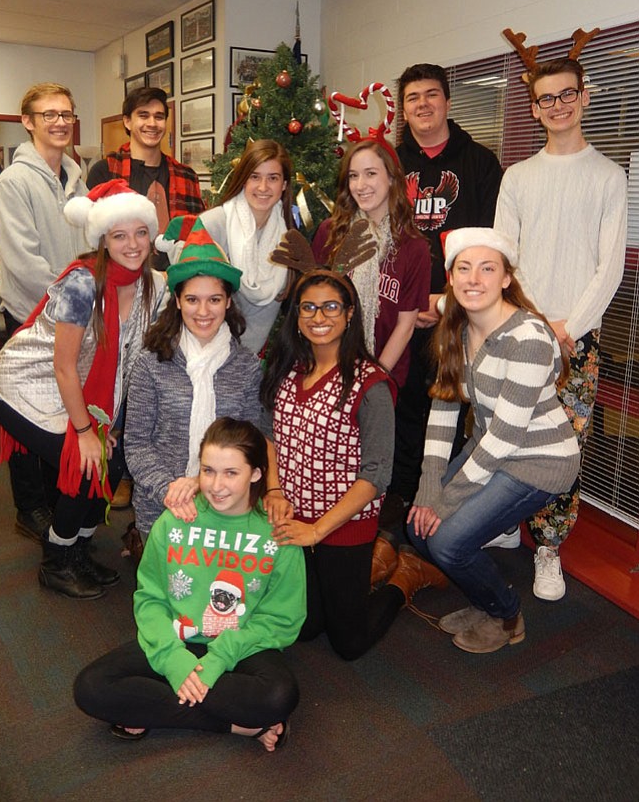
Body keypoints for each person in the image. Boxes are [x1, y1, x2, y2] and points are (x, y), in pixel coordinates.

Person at [261, 242, 446, 661]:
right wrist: (273, 491)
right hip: (293, 520)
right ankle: (372, 567)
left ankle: (403, 579)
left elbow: (376, 474)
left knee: (348, 643)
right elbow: (268, 434)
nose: (318, 317)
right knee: (305, 628)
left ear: (349, 314)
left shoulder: (370, 384)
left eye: (330, 307)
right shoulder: (286, 371)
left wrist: (318, 531)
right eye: (308, 308)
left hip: (343, 524)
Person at [74, 417, 306, 751]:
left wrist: (216, 662)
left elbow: (281, 620)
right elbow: (150, 597)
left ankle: (155, 709)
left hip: (239, 647)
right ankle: (236, 727)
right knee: (91, 687)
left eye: (231, 473)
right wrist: (174, 662)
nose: (216, 485)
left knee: (279, 695)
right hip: (177, 636)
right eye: (208, 470)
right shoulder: (176, 520)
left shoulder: (279, 533)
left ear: (256, 474)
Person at [0, 179, 166, 599]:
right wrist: (85, 434)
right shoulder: (84, 284)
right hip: (25, 386)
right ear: (102, 239)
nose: (133, 244)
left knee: (113, 463)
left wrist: (115, 427)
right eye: (120, 235)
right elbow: (64, 366)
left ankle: (78, 550)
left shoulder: (151, 284)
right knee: (88, 467)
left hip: (83, 393)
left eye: (141, 232)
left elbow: (131, 359)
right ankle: (56, 561)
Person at [405, 227, 580, 653]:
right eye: (463, 269)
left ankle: (505, 614)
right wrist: (429, 489)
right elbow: (444, 409)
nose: (474, 279)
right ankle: (483, 598)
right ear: (450, 277)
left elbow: (505, 436)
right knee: (418, 529)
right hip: (491, 447)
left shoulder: (528, 339)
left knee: (446, 540)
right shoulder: (459, 325)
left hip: (539, 460)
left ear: (506, 278)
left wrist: (444, 502)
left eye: (487, 269)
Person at [494, 52, 627, 601]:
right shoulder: (518, 177)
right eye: (546, 98)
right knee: (505, 433)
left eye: (566, 94)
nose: (557, 105)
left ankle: (548, 548)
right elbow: (503, 255)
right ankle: (501, 520)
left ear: (584, 98)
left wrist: (569, 326)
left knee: (564, 445)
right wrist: (529, 318)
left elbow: (610, 264)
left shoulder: (608, 176)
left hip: (578, 338)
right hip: (519, 331)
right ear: (534, 108)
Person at [390, 64, 503, 516]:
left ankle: (444, 501)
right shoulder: (392, 163)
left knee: (451, 404)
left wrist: (446, 298)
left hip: (460, 308)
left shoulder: (480, 162)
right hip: (402, 308)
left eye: (431, 94)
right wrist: (410, 300)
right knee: (403, 403)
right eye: (413, 97)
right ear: (403, 109)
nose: (423, 104)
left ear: (448, 102)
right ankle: (399, 501)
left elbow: (493, 240)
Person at [125, 218, 266, 538]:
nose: (203, 311)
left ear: (228, 302)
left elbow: (249, 446)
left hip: (225, 510)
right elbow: (136, 444)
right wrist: (170, 487)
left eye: (214, 299)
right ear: (177, 301)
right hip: (162, 507)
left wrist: (203, 486)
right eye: (192, 299)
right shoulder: (151, 364)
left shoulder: (246, 369)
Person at [0, 82, 88, 542]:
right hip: (30, 314)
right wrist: (72, 303)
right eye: (49, 114)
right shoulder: (15, 181)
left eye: (66, 114)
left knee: (59, 409)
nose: (60, 122)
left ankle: (53, 497)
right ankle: (29, 507)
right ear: (28, 122)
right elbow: (23, 261)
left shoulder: (76, 174)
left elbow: (87, 243)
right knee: (26, 409)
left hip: (70, 315)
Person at [312, 140, 430, 389]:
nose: (360, 185)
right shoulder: (330, 234)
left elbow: (406, 327)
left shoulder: (413, 246)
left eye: (371, 174)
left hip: (383, 375)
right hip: (327, 369)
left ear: (391, 178)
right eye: (353, 176)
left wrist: (373, 380)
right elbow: (313, 307)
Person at [87, 86, 203, 268]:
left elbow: (196, 234)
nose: (152, 123)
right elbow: (95, 239)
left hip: (176, 280)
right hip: (122, 282)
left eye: (159, 117)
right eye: (143, 115)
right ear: (127, 122)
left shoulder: (187, 176)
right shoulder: (106, 172)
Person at [197, 139, 295, 354]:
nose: (263, 187)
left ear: (285, 185)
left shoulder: (287, 239)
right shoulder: (213, 225)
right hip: (201, 354)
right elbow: (188, 299)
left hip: (249, 362)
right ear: (243, 180)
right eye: (255, 176)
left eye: (273, 178)